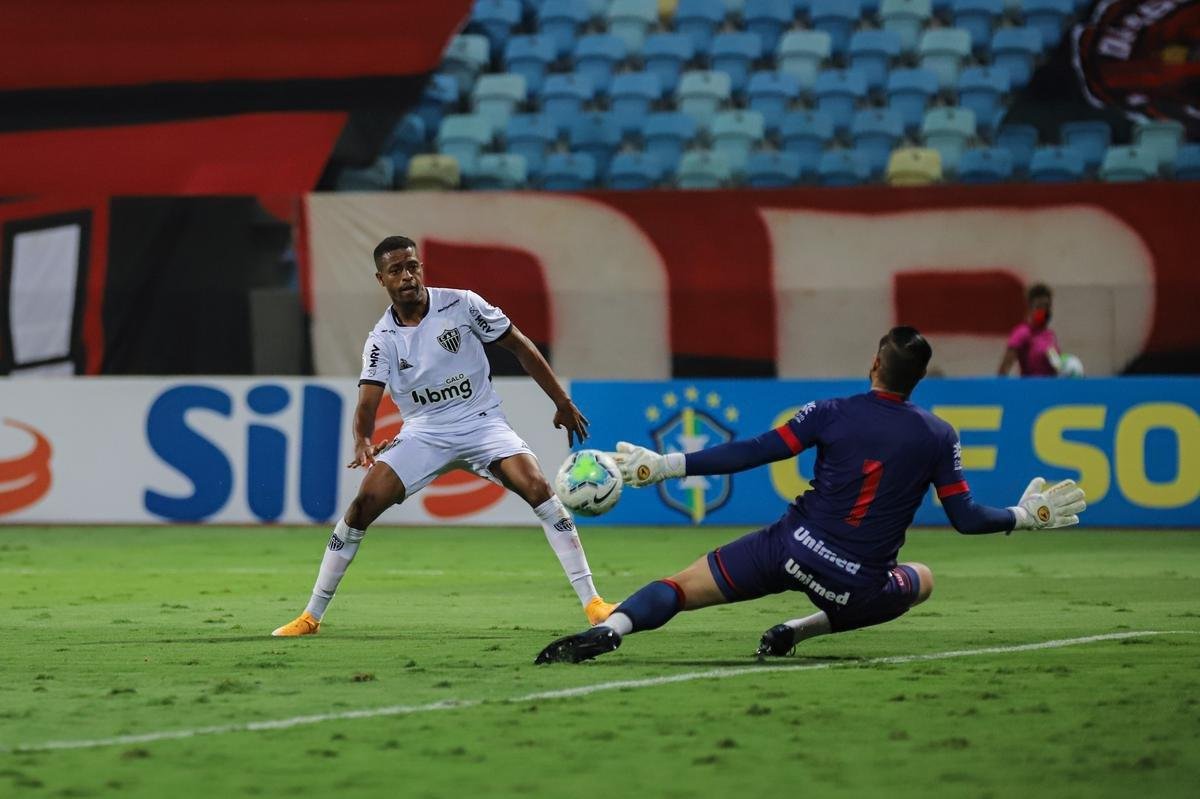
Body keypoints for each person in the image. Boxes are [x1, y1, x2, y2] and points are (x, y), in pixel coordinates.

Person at [535, 327, 1086, 664]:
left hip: (790, 547)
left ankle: (611, 629)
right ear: (919, 378)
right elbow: (965, 519)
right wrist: (1022, 515)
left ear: (875, 364)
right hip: (856, 584)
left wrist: (667, 465)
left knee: (680, 587)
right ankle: (796, 631)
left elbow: (756, 451)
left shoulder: (831, 411)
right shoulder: (940, 434)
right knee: (922, 579)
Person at [272, 236, 615, 636]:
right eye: (396, 270)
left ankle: (594, 604)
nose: (407, 276)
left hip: (482, 423)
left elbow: (521, 347)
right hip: (424, 433)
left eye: (412, 266)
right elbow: (367, 402)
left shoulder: (463, 304)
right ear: (380, 279)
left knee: (538, 486)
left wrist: (561, 400)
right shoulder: (382, 339)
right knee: (363, 504)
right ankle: (311, 616)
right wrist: (362, 439)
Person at [998, 283, 1062, 377]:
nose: (1044, 311)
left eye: (1047, 306)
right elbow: (1004, 369)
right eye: (1039, 307)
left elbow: (1057, 367)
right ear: (1030, 308)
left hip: (1051, 389)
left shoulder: (1050, 335)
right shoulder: (1022, 333)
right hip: (1030, 389)